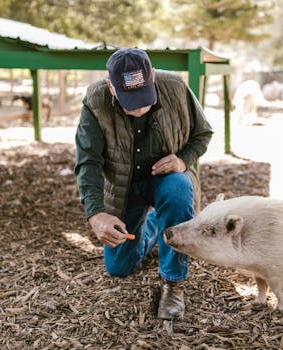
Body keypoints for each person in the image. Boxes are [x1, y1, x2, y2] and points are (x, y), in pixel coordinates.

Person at [74, 48, 213, 320]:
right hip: (123, 189)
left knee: (178, 188)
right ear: (111, 87)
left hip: (167, 180)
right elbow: (88, 161)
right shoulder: (95, 100)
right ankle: (153, 225)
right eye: (129, 100)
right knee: (118, 268)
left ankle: (173, 283)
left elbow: (203, 133)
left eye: (144, 98)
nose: (138, 108)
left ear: (151, 79)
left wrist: (183, 160)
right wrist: (96, 214)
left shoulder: (174, 86)